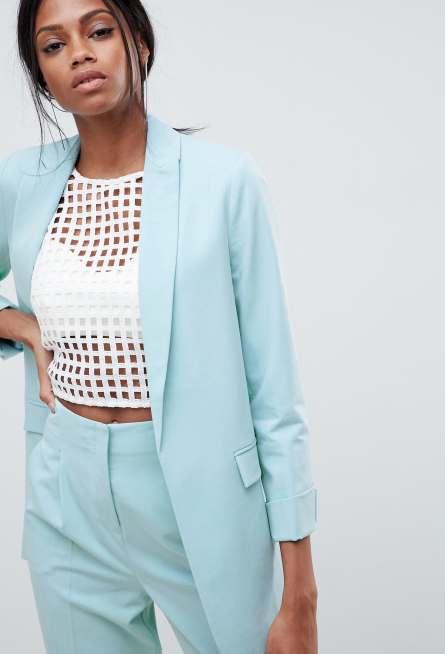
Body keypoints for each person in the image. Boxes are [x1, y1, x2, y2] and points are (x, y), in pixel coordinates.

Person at [0, 1, 319, 652]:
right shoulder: (21, 181)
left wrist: (301, 595)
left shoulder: (223, 181)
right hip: (67, 495)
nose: (80, 53)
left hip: (199, 496)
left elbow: (274, 392)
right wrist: (23, 327)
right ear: (42, 76)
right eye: (53, 46)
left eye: (98, 31)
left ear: (139, 44)